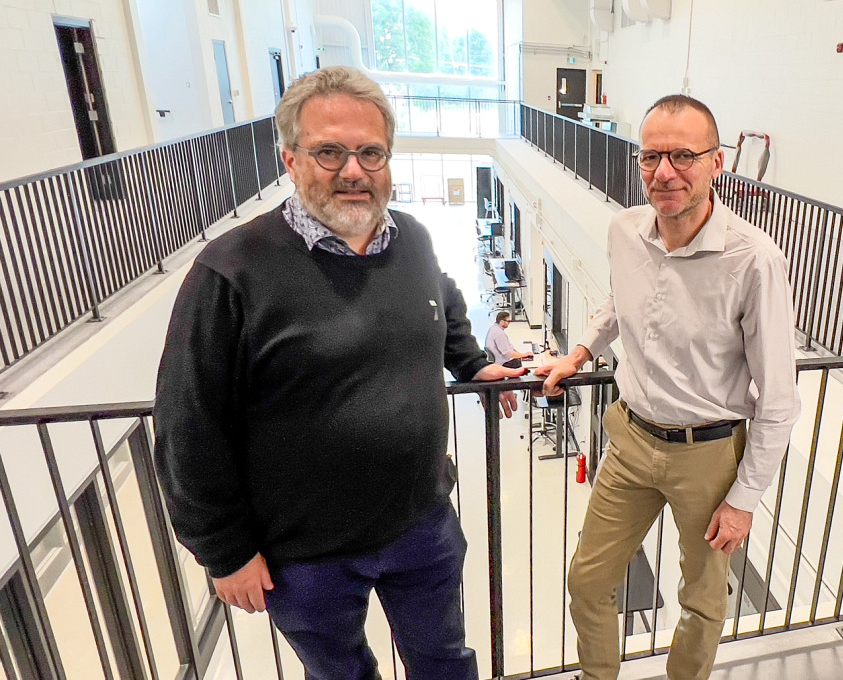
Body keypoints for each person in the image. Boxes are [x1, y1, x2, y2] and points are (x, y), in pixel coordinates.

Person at [153, 65, 524, 680]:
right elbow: (188, 421)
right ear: (291, 159)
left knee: (444, 661)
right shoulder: (231, 271)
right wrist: (224, 550)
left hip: (421, 525)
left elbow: (444, 299)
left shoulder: (412, 240)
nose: (353, 171)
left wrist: (472, 361)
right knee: (340, 673)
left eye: (370, 153)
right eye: (330, 152)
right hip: (302, 555)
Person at [538, 94, 801, 680]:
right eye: (651, 156)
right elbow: (617, 303)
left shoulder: (753, 260)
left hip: (708, 457)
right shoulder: (625, 230)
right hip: (630, 441)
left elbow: (779, 400)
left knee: (702, 601)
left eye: (684, 156)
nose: (665, 173)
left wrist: (743, 500)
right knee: (588, 581)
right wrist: (580, 350)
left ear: (717, 163)